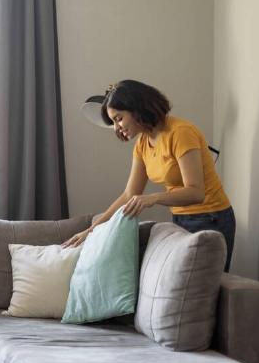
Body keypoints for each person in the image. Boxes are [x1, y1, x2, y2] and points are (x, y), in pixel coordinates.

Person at [62, 80, 235, 271]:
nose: (116, 128)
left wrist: (153, 198)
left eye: (118, 118)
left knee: (206, 285)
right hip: (180, 219)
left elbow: (196, 193)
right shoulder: (142, 144)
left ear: (136, 109)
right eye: (113, 122)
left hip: (211, 217)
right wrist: (91, 230)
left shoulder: (180, 133)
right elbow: (129, 194)